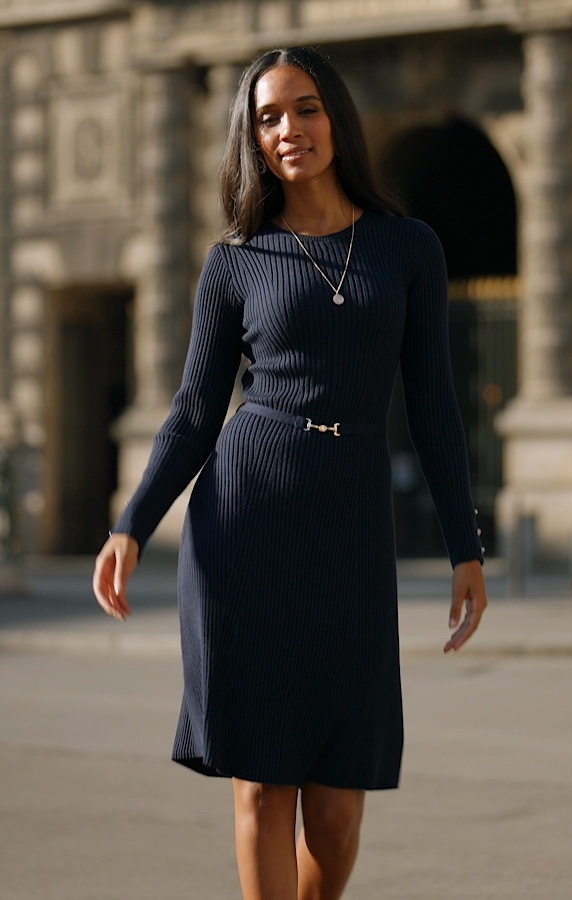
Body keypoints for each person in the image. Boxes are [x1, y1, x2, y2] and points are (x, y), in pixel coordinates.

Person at [93, 46, 487, 900]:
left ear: (335, 116)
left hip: (349, 527)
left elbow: (435, 411)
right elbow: (196, 411)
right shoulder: (236, 258)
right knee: (264, 782)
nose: (288, 130)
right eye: (268, 117)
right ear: (253, 139)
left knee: (339, 810)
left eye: (303, 108)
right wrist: (132, 522)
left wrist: (466, 545)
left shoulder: (407, 248)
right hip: (245, 522)